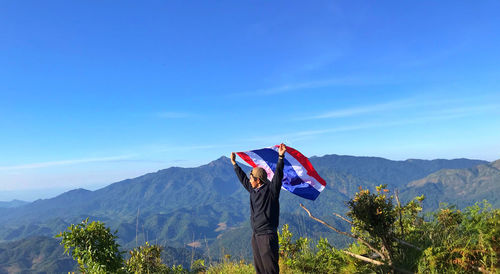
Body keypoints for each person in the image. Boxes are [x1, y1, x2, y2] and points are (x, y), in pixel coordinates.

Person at [230, 143, 286, 274]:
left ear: (258, 180)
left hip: (267, 236)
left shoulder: (271, 191)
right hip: (256, 235)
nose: (249, 181)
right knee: (259, 269)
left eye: (251, 178)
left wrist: (281, 158)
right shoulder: (253, 190)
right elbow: (243, 179)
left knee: (270, 269)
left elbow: (278, 177)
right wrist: (234, 164)